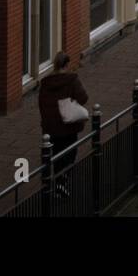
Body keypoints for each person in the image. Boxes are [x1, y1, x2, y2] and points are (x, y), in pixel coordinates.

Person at [38, 51, 90, 198]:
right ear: (67, 64)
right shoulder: (72, 80)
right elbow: (84, 98)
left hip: (51, 127)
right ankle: (62, 183)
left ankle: (54, 183)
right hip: (67, 126)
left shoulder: (45, 83)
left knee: (55, 155)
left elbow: (41, 104)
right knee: (69, 152)